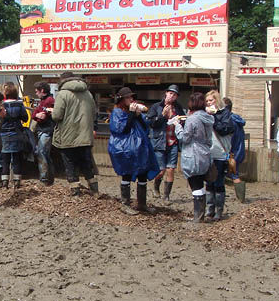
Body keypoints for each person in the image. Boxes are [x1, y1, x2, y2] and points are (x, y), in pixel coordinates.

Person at [109, 87, 159, 215]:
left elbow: (145, 127)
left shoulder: (134, 112)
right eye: (128, 98)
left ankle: (142, 204)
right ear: (121, 99)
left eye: (132, 97)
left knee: (143, 174)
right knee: (126, 173)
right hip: (125, 150)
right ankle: (125, 204)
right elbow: (122, 130)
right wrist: (131, 114)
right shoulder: (117, 113)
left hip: (140, 149)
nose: (131, 100)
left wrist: (137, 115)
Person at [51, 71, 99, 196]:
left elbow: (57, 116)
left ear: (62, 81)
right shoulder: (88, 93)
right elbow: (94, 113)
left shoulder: (62, 94)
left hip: (68, 135)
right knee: (87, 164)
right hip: (85, 135)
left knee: (70, 164)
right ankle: (95, 190)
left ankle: (75, 192)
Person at [173, 92, 214, 223]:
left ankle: (198, 217)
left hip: (193, 154)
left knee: (195, 184)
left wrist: (177, 126)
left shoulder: (192, 118)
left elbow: (184, 138)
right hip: (205, 153)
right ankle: (200, 215)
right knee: (201, 184)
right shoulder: (208, 117)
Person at [145, 84, 182, 203]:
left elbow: (184, 122)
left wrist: (179, 121)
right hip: (159, 142)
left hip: (173, 141)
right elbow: (150, 123)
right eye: (171, 93)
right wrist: (162, 116)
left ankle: (166, 196)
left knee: (171, 169)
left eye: (175, 94)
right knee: (161, 171)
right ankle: (156, 187)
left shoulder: (178, 108)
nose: (172, 96)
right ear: (166, 93)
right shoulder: (156, 106)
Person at [205, 89, 234, 220]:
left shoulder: (225, 114)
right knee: (209, 182)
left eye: (211, 100)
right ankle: (209, 209)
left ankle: (219, 210)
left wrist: (214, 117)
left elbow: (224, 130)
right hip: (208, 152)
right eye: (207, 101)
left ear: (217, 100)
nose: (209, 103)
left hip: (221, 153)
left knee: (218, 182)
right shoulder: (205, 114)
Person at [0, 82, 29, 189]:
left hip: (3, 134)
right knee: (16, 159)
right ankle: (16, 182)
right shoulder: (19, 104)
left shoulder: (1, 106)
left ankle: (5, 182)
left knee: (4, 160)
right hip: (16, 133)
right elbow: (25, 118)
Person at [32, 81, 55, 185]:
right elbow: (35, 114)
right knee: (45, 154)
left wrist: (37, 115)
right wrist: (37, 115)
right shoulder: (45, 101)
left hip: (46, 130)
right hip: (44, 130)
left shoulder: (48, 101)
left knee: (42, 153)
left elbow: (41, 117)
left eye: (37, 91)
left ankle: (44, 179)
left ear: (42, 90)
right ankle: (49, 178)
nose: (36, 93)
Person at [226, 98, 247, 203]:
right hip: (239, 151)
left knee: (234, 175)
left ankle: (241, 198)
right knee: (233, 173)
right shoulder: (237, 119)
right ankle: (241, 198)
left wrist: (229, 153)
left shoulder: (230, 122)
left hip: (232, 152)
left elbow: (230, 139)